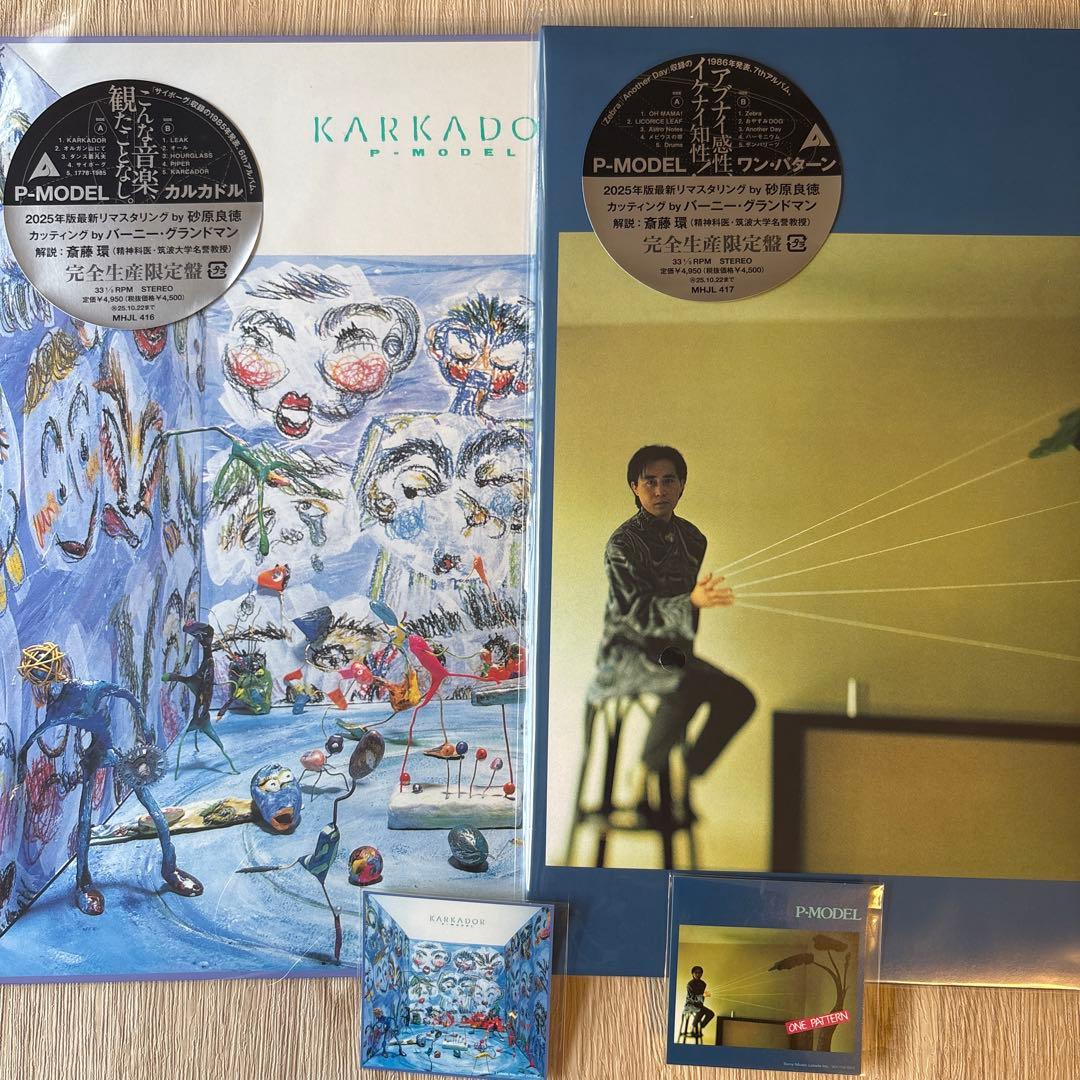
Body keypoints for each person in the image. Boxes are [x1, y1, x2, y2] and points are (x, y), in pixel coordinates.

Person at [589, 445, 755, 813]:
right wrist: (690, 602)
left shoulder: (693, 539)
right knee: (682, 682)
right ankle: (644, 771)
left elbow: (685, 616)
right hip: (627, 652)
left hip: (671, 655)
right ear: (635, 487)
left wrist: (689, 625)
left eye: (668, 481)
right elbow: (633, 612)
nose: (660, 490)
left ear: (682, 486)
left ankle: (685, 771)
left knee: (740, 698)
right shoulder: (622, 545)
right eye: (650, 482)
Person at [685, 965, 715, 1037]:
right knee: (700, 1010)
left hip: (699, 1005)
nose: (698, 974)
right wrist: (702, 996)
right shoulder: (690, 984)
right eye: (696, 973)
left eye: (700, 973)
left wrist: (704, 996)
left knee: (711, 1013)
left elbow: (702, 997)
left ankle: (700, 1027)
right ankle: (692, 1028)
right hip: (690, 1005)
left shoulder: (703, 984)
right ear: (692, 974)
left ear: (702, 974)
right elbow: (691, 997)